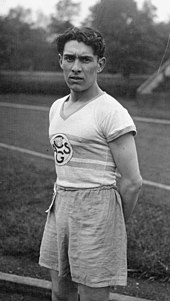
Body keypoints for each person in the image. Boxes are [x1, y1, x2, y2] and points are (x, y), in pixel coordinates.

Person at [39, 26, 142, 301]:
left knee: (91, 296)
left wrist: (111, 226)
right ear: (60, 60)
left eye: (85, 60)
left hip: (97, 211)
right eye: (69, 58)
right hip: (60, 204)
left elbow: (133, 182)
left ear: (100, 64)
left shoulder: (111, 112)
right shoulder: (55, 107)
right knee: (60, 293)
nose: (76, 67)